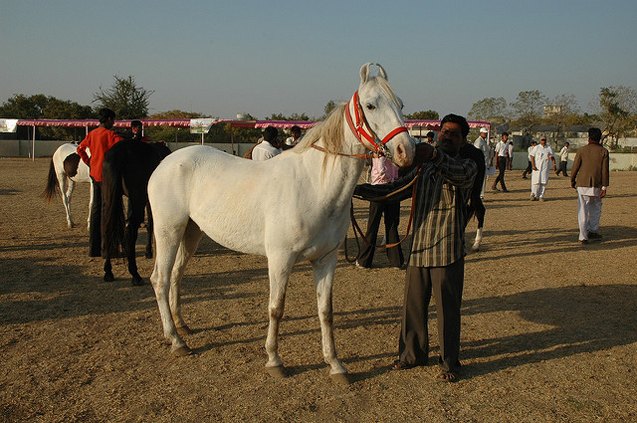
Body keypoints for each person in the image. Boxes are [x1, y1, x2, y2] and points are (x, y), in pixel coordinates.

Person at [354, 114, 477, 382]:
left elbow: (460, 176)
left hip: (447, 250)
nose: (446, 136)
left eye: (453, 134)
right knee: (413, 308)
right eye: (444, 131)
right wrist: (358, 191)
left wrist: (433, 156)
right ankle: (412, 354)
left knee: (447, 311)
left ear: (463, 140)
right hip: (419, 247)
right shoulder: (425, 168)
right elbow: (395, 189)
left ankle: (449, 364)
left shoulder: (468, 165)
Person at [76, 108, 124, 257]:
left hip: (94, 174)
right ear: (109, 119)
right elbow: (123, 147)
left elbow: (80, 149)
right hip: (107, 176)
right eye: (113, 120)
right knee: (108, 211)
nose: (114, 123)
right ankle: (107, 249)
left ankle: (93, 248)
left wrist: (88, 161)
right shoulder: (110, 135)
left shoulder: (92, 134)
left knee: (96, 210)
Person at [355, 153, 404, 269]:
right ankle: (396, 261)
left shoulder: (379, 150)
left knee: (373, 225)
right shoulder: (394, 149)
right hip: (393, 188)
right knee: (391, 226)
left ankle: (364, 261)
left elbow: (381, 169)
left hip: (379, 188)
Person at [570, 128, 609, 244]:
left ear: (589, 138)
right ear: (600, 138)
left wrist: (572, 180)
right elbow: (605, 171)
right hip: (597, 184)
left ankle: (583, 236)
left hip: (582, 183)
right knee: (596, 208)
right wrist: (604, 187)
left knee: (582, 209)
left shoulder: (581, 150)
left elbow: (575, 167)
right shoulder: (604, 151)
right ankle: (593, 230)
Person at [530, 136, 556, 201]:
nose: (543, 141)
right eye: (542, 140)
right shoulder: (537, 147)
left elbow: (552, 157)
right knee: (535, 182)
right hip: (537, 168)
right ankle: (533, 194)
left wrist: (554, 164)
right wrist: (533, 165)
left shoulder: (548, 148)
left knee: (543, 182)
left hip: (545, 168)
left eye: (544, 140)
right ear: (540, 141)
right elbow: (532, 156)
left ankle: (541, 196)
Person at [473, 127, 490, 198]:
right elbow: (476, 152)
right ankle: (480, 194)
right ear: (481, 133)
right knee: (480, 179)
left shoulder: (484, 141)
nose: (485, 134)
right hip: (480, 163)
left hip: (485, 163)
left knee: (483, 179)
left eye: (486, 133)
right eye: (484, 133)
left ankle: (481, 194)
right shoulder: (479, 141)